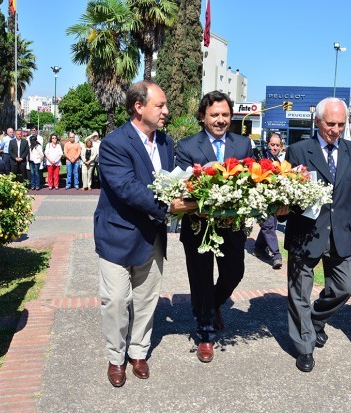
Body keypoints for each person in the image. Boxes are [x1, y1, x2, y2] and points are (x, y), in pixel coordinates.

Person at [95, 81, 191, 388]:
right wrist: (168, 206)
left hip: (152, 236)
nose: (166, 111)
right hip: (117, 235)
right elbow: (126, 188)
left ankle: (138, 352)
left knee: (147, 299)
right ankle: (116, 357)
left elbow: (170, 180)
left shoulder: (165, 142)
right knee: (115, 300)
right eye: (160, 105)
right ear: (139, 107)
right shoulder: (114, 143)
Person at [283, 97, 351, 372]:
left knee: (346, 287)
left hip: (341, 233)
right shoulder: (298, 151)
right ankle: (304, 347)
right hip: (306, 233)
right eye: (331, 124)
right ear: (318, 121)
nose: (336, 130)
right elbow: (287, 193)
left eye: (341, 124)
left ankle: (315, 320)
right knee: (299, 293)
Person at [176, 91, 254, 363]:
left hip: (232, 227)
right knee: (201, 280)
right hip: (198, 227)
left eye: (225, 115)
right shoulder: (187, 146)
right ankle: (205, 333)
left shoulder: (243, 144)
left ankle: (214, 303)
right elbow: (182, 186)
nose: (220, 120)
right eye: (214, 115)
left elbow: (252, 181)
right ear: (202, 117)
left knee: (235, 273)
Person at [254, 133, 284, 269]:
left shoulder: (278, 160)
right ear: (267, 144)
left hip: (273, 199)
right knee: (268, 225)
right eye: (272, 145)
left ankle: (259, 248)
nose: (275, 147)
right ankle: (276, 255)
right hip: (261, 199)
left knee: (271, 225)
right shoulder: (260, 158)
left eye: (277, 145)